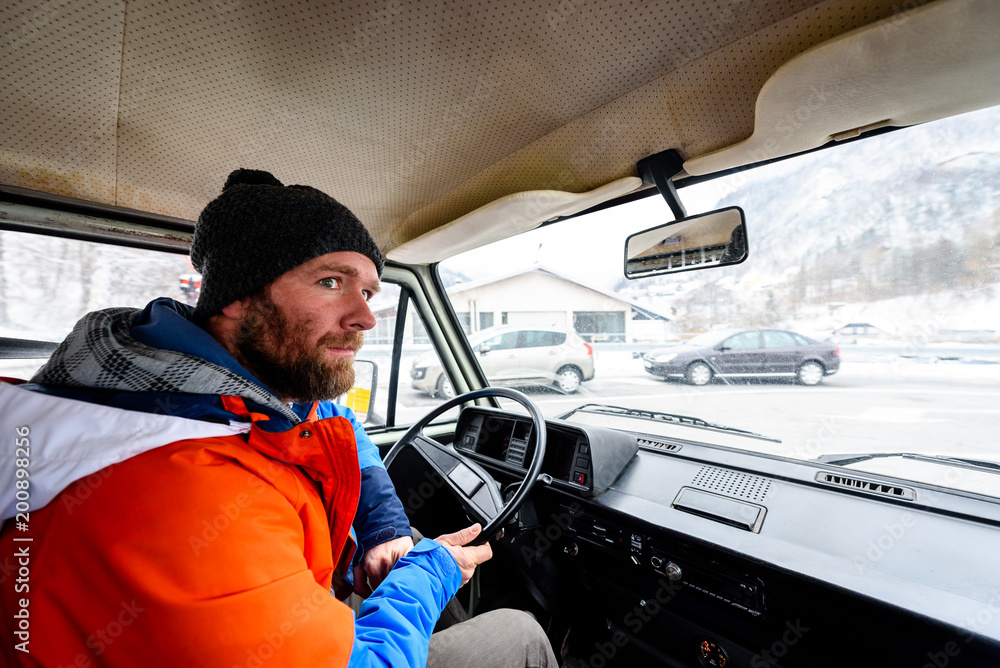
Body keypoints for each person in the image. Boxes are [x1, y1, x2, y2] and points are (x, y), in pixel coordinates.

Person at [0, 169, 557, 667]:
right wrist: (429, 573)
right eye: (330, 282)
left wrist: (386, 530)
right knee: (518, 633)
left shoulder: (247, 387)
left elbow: (341, 437)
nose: (364, 316)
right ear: (239, 297)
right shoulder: (187, 490)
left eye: (368, 291)